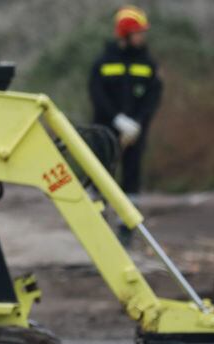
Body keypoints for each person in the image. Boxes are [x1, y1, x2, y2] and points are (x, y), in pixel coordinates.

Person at [89, 5, 163, 244]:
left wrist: (138, 123)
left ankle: (126, 228)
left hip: (135, 132)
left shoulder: (148, 64)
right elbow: (97, 94)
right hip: (105, 130)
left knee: (131, 178)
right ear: (125, 35)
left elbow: (153, 96)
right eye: (138, 32)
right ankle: (97, 226)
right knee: (101, 175)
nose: (142, 37)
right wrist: (116, 120)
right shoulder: (103, 62)